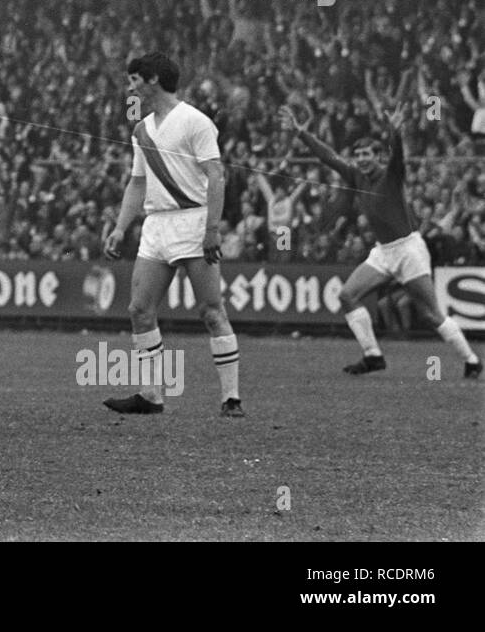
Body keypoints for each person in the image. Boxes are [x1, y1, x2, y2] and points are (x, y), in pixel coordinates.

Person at [279, 101, 481, 378]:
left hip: (409, 250)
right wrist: (301, 133)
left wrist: (395, 132)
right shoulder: (356, 175)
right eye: (358, 155)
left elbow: (398, 157)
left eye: (367, 154)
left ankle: (471, 360)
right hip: (384, 251)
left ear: (378, 157)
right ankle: (373, 355)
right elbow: (329, 157)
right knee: (347, 296)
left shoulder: (391, 175)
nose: (362, 159)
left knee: (431, 314)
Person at [103, 52, 244, 416]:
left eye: (135, 80)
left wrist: (212, 228)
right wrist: (120, 227)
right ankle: (151, 396)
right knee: (139, 310)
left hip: (193, 221)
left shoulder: (195, 121)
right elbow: (137, 183)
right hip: (156, 226)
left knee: (211, 312)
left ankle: (231, 398)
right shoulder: (141, 130)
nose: (130, 88)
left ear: (152, 79)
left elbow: (216, 176)